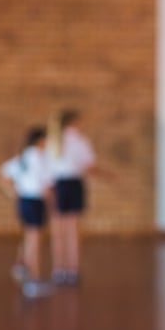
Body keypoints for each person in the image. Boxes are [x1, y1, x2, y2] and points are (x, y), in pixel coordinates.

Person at [0, 125, 54, 298]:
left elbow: (2, 174)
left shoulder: (22, 158)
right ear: (41, 140)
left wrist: (13, 191)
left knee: (30, 236)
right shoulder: (39, 157)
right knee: (35, 240)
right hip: (35, 200)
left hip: (24, 200)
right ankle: (33, 280)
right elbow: (46, 182)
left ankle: (23, 268)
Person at [47, 108, 100, 285]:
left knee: (58, 230)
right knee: (73, 229)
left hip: (57, 185)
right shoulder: (79, 141)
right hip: (73, 184)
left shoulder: (52, 141)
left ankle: (58, 269)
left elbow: (47, 168)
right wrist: (108, 175)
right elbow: (89, 165)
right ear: (73, 123)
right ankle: (72, 269)